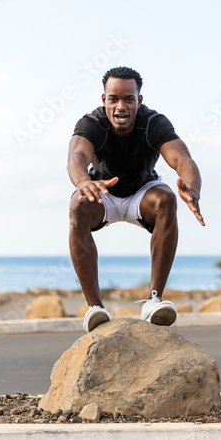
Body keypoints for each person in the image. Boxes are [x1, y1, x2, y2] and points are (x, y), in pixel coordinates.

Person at [67, 66, 205, 332]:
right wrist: (84, 182)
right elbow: (76, 158)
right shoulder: (91, 123)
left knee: (166, 198)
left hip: (141, 194)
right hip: (103, 192)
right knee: (78, 203)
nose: (121, 106)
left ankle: (153, 301)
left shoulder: (153, 123)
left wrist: (192, 188)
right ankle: (96, 308)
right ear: (103, 99)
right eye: (114, 99)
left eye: (128, 99)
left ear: (139, 100)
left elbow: (183, 159)